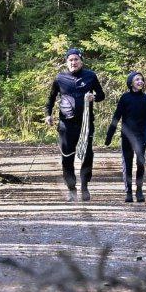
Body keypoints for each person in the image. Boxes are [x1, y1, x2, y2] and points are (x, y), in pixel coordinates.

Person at [45, 48, 106, 201]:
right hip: (66, 124)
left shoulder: (90, 76)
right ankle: (71, 188)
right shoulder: (60, 78)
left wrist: (94, 96)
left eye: (76, 59)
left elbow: (101, 95)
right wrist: (48, 115)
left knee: (87, 155)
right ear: (67, 62)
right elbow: (51, 99)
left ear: (81, 61)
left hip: (85, 124)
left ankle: (85, 186)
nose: (73, 62)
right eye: (70, 60)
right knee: (67, 157)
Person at [105, 71, 146, 203]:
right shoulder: (125, 98)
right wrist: (109, 135)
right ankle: (129, 192)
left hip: (140, 136)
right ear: (131, 82)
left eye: (141, 80)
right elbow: (116, 117)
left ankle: (139, 190)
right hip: (127, 136)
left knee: (140, 163)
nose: (140, 82)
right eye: (137, 79)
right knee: (127, 163)